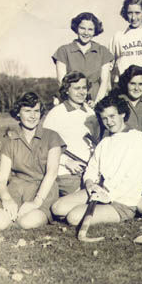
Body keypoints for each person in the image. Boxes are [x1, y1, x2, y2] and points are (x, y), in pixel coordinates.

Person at [52, 95, 142, 225]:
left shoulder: (137, 138)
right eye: (104, 118)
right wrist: (89, 183)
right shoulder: (105, 142)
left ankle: (96, 212)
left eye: (112, 116)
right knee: (57, 208)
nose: (109, 122)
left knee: (73, 217)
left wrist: (108, 196)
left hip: (122, 201)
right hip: (98, 192)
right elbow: (92, 168)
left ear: (122, 114)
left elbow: (133, 178)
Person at [0, 92, 65, 231]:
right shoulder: (10, 140)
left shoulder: (52, 136)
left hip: (43, 190)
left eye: (36, 111)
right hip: (17, 189)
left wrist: (36, 202)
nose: (33, 116)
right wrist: (7, 199)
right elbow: (0, 180)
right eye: (27, 111)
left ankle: (0, 212)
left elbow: (52, 173)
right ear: (18, 113)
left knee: (27, 223)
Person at [43, 72, 101, 216]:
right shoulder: (56, 113)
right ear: (66, 90)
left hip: (89, 170)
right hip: (66, 172)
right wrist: (66, 161)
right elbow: (44, 145)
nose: (82, 92)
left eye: (84, 88)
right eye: (76, 88)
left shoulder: (91, 112)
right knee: (82, 199)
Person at [112, 65, 142, 183]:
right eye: (132, 83)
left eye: (141, 84)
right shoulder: (117, 101)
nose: (136, 88)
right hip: (123, 157)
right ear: (126, 84)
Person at [52, 12, 113, 107]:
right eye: (82, 28)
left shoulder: (103, 51)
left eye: (90, 29)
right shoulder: (63, 51)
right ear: (76, 28)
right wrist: (76, 103)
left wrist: (97, 104)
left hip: (96, 101)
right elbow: (62, 82)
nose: (86, 33)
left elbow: (104, 82)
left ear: (95, 31)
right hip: (71, 102)